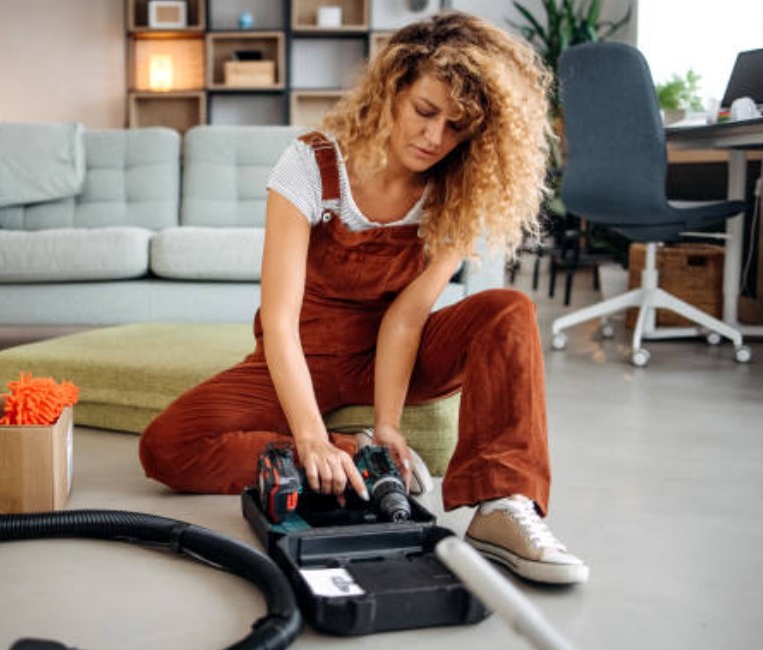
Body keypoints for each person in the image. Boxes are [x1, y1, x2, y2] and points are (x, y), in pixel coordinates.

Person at [140, 12, 588, 585]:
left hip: (391, 355)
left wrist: (390, 426)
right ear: (392, 91)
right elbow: (278, 324)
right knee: (166, 446)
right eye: (426, 112)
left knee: (508, 309)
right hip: (305, 352)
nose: (434, 138)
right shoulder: (310, 165)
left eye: (456, 127)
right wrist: (312, 441)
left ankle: (504, 506)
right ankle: (350, 455)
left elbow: (405, 320)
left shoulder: (457, 192)